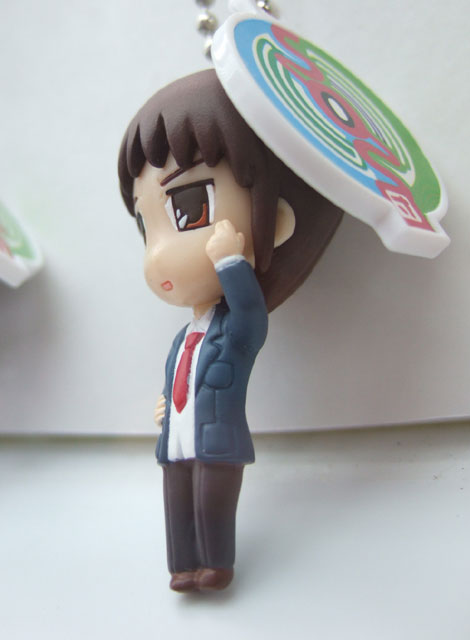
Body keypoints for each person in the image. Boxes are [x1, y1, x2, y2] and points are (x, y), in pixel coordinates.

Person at [118, 68, 343, 592]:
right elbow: (180, 373)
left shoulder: (236, 325)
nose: (157, 256)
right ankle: (182, 564)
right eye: (145, 226)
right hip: (177, 438)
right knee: (177, 502)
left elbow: (250, 316)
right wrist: (166, 402)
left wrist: (229, 263)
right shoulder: (184, 337)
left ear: (277, 217)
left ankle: (215, 563)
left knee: (211, 503)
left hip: (218, 441)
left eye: (188, 208)